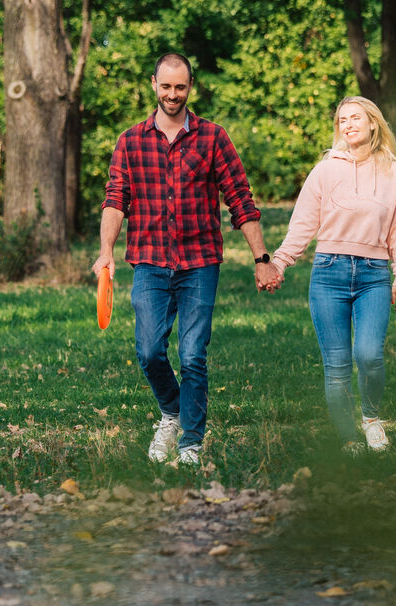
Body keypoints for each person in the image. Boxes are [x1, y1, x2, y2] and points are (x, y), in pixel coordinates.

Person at [93, 53, 275, 466]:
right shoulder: (131, 140)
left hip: (199, 263)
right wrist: (106, 251)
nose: (172, 95)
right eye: (166, 86)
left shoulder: (213, 138)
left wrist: (261, 257)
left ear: (190, 87)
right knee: (149, 352)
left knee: (193, 354)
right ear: (153, 84)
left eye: (180, 87)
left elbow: (240, 200)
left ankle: (190, 442)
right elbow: (115, 199)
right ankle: (171, 412)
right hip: (150, 262)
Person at [262, 96, 396, 453]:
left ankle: (372, 417)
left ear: (373, 123)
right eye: (342, 120)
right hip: (328, 273)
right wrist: (279, 262)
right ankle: (349, 437)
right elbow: (303, 224)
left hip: (374, 274)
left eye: (355, 118)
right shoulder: (325, 170)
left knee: (369, 355)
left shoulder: (394, 173)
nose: (347, 125)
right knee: (337, 365)